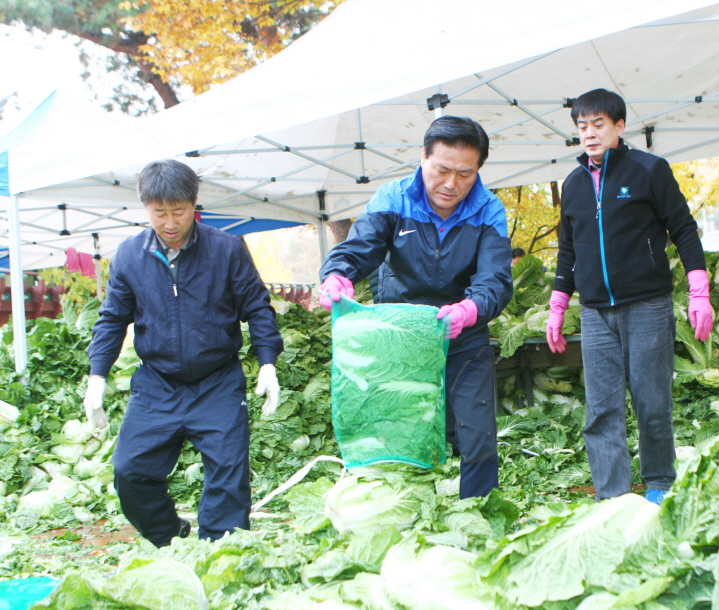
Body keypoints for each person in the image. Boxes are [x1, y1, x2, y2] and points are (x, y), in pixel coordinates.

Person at [83, 159, 284, 547]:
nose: (170, 223)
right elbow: (111, 319)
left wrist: (268, 363)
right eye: (160, 213)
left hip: (217, 381)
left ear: (195, 204)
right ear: (146, 209)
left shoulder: (225, 249)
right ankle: (169, 536)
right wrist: (97, 377)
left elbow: (257, 306)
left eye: (179, 211)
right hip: (158, 383)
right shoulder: (129, 256)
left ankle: (218, 556)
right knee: (130, 471)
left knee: (228, 476)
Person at [319, 115, 513, 499]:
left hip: (461, 332)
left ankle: (478, 510)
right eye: (441, 169)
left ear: (477, 171)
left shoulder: (489, 210)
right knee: (399, 425)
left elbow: (495, 279)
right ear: (423, 157)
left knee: (477, 431)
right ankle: (403, 506)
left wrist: (469, 310)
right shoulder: (393, 199)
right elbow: (360, 248)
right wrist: (337, 275)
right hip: (400, 335)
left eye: (464, 174)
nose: (450, 184)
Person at [545, 89, 713, 505]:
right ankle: (613, 496)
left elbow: (684, 229)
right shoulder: (574, 184)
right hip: (596, 312)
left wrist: (699, 291)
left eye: (598, 124)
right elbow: (569, 250)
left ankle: (660, 484)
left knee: (651, 401)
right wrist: (557, 306)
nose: (589, 134)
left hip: (647, 306)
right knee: (601, 410)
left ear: (619, 126)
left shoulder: (649, 170)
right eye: (582, 127)